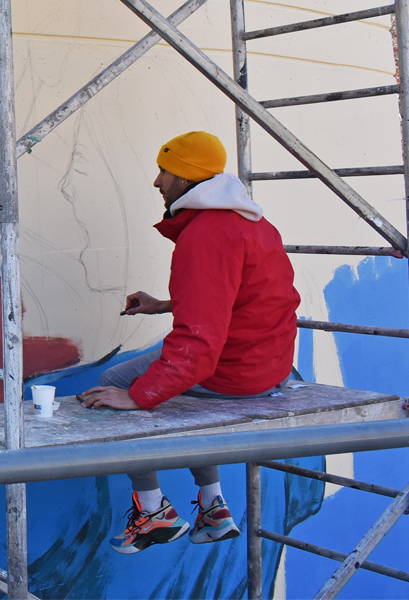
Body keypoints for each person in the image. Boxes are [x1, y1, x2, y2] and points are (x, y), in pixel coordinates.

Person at [79, 130, 300, 555]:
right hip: (267, 364)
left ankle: (152, 513)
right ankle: (213, 508)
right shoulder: (250, 221)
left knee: (114, 383)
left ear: (186, 179)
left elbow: (198, 347)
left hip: (233, 373)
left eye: (165, 171)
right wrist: (164, 304)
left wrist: (139, 396)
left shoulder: (206, 235)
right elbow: (236, 297)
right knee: (163, 382)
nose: (158, 182)